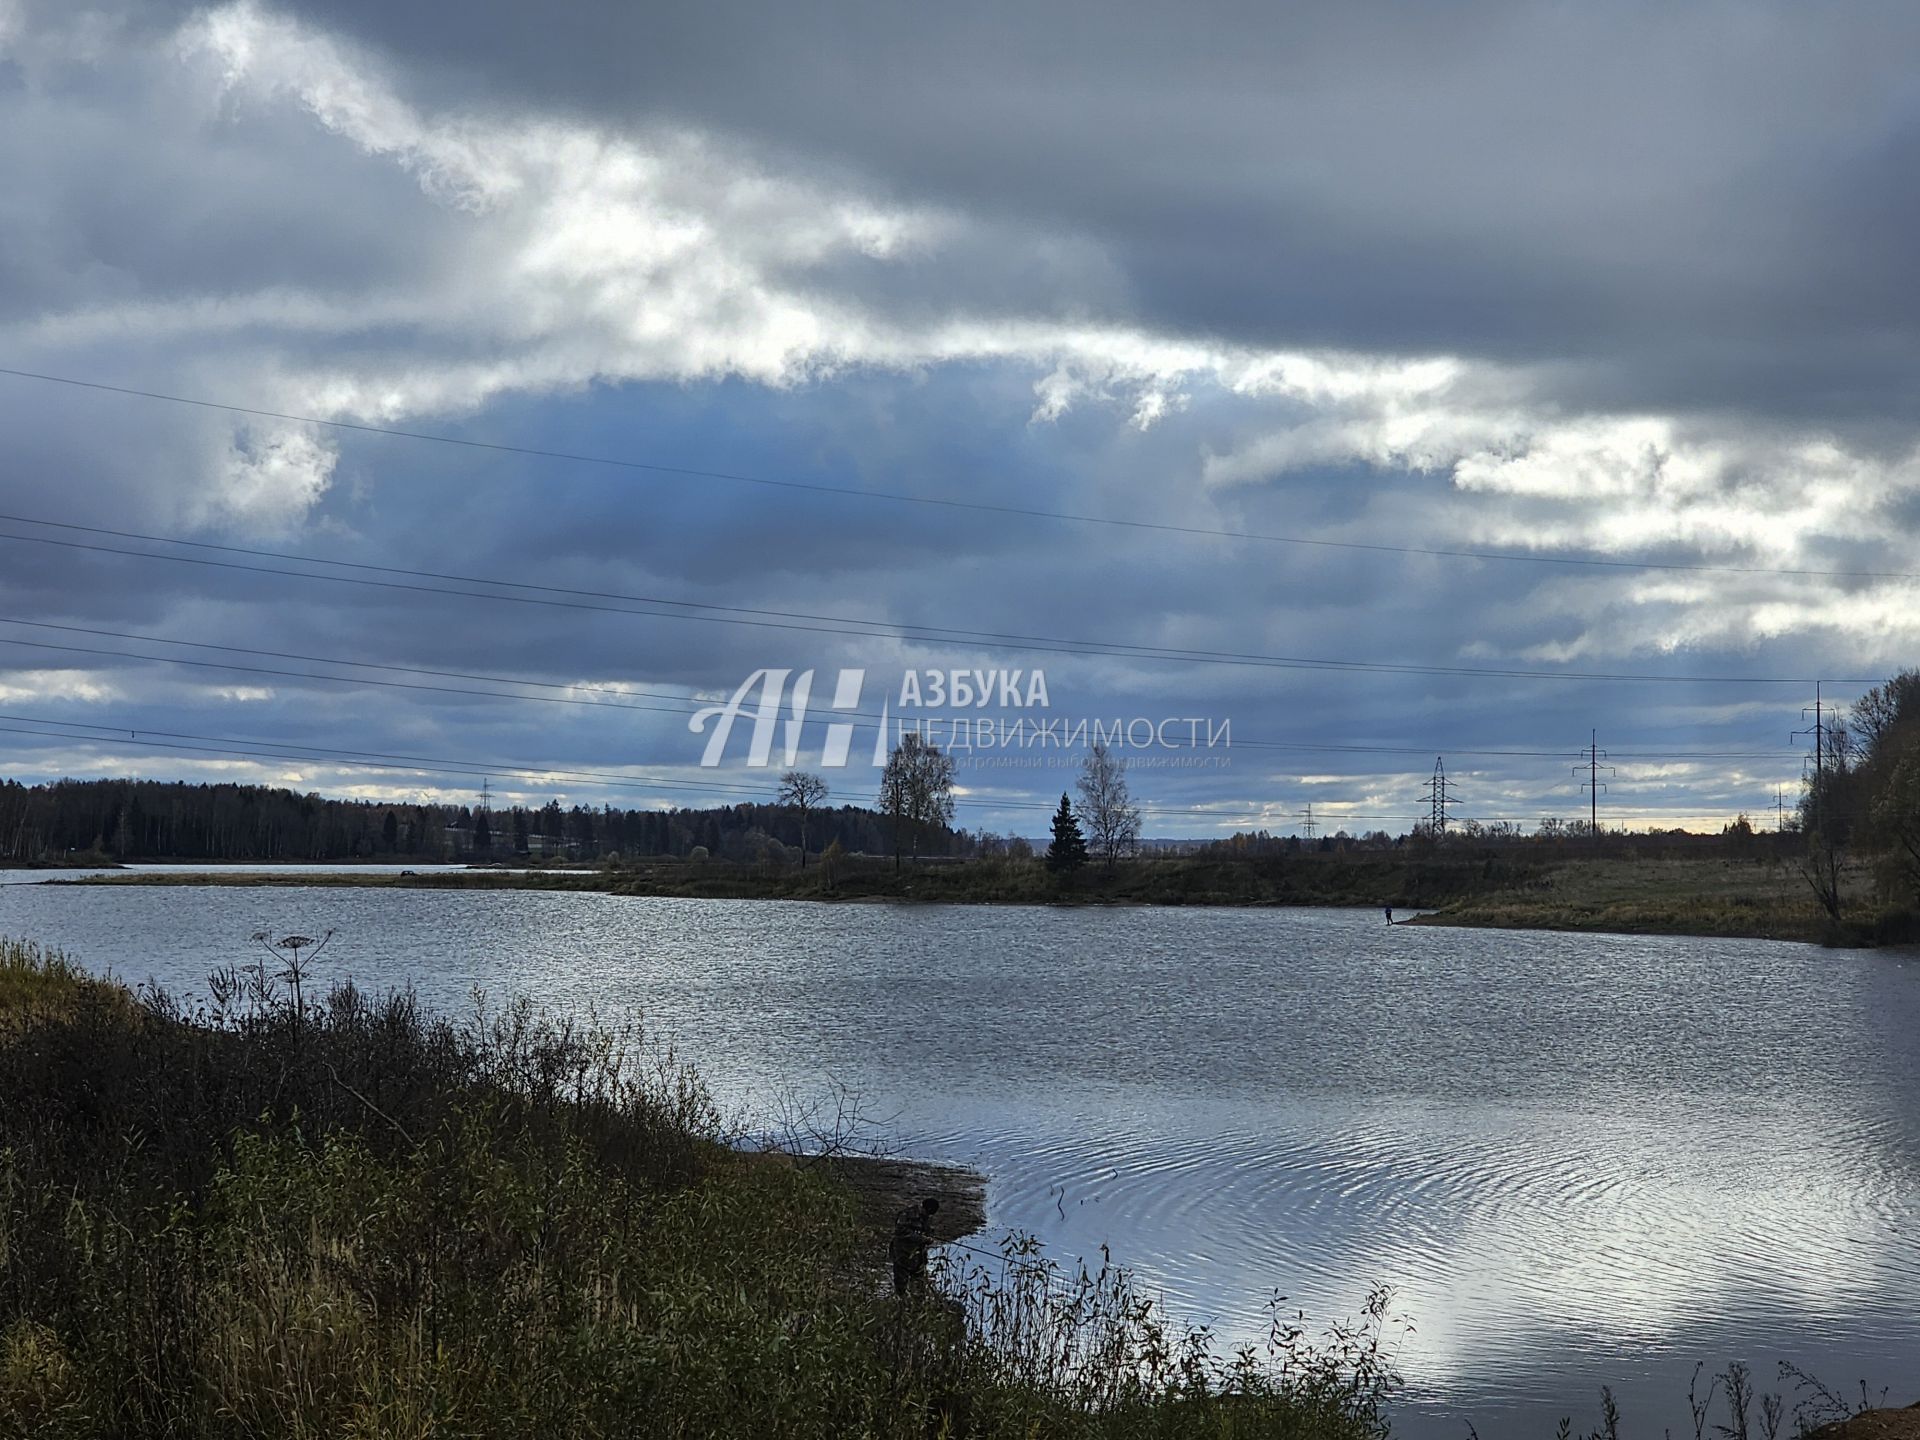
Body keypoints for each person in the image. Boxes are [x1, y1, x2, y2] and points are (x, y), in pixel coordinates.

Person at [891, 1195, 941, 1296]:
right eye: (927, 1213)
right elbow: (900, 1232)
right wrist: (921, 1238)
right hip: (901, 1254)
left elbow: (929, 1231)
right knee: (901, 1284)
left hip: (918, 1257)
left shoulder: (927, 1218)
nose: (928, 1216)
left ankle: (917, 1305)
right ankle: (900, 1303)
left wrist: (929, 1238)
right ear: (923, 1207)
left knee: (919, 1285)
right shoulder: (907, 1214)